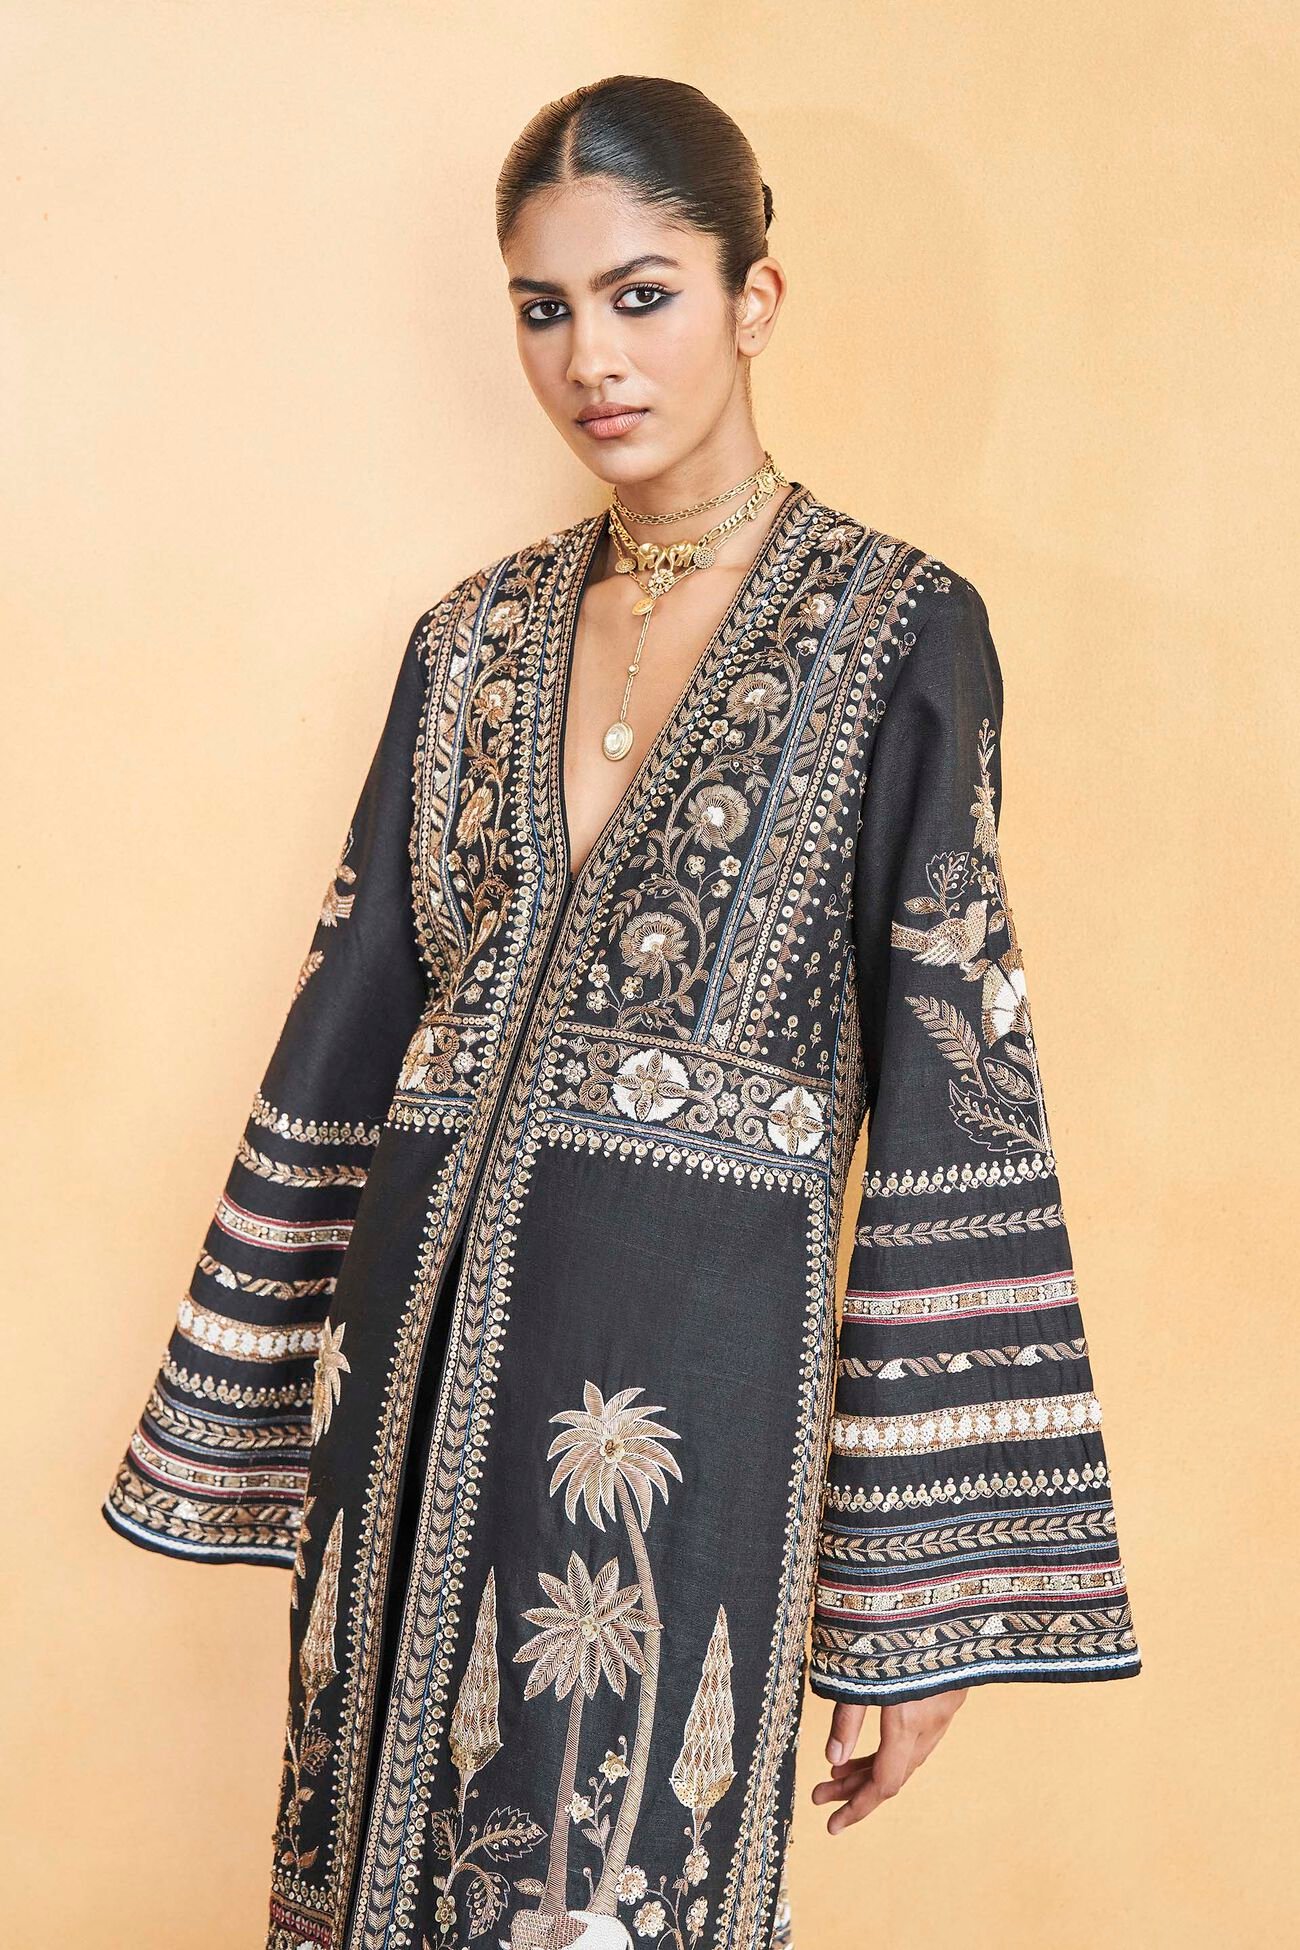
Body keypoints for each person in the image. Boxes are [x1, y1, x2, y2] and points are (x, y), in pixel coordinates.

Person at [102, 73, 1141, 1950]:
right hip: (409, 1387)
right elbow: (353, 1010)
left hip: (676, 1418)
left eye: (642, 294)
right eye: (545, 307)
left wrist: (917, 1595)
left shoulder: (901, 634)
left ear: (755, 296)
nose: (592, 357)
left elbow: (958, 1080)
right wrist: (257, 1396)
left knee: (604, 1885)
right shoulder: (469, 642)